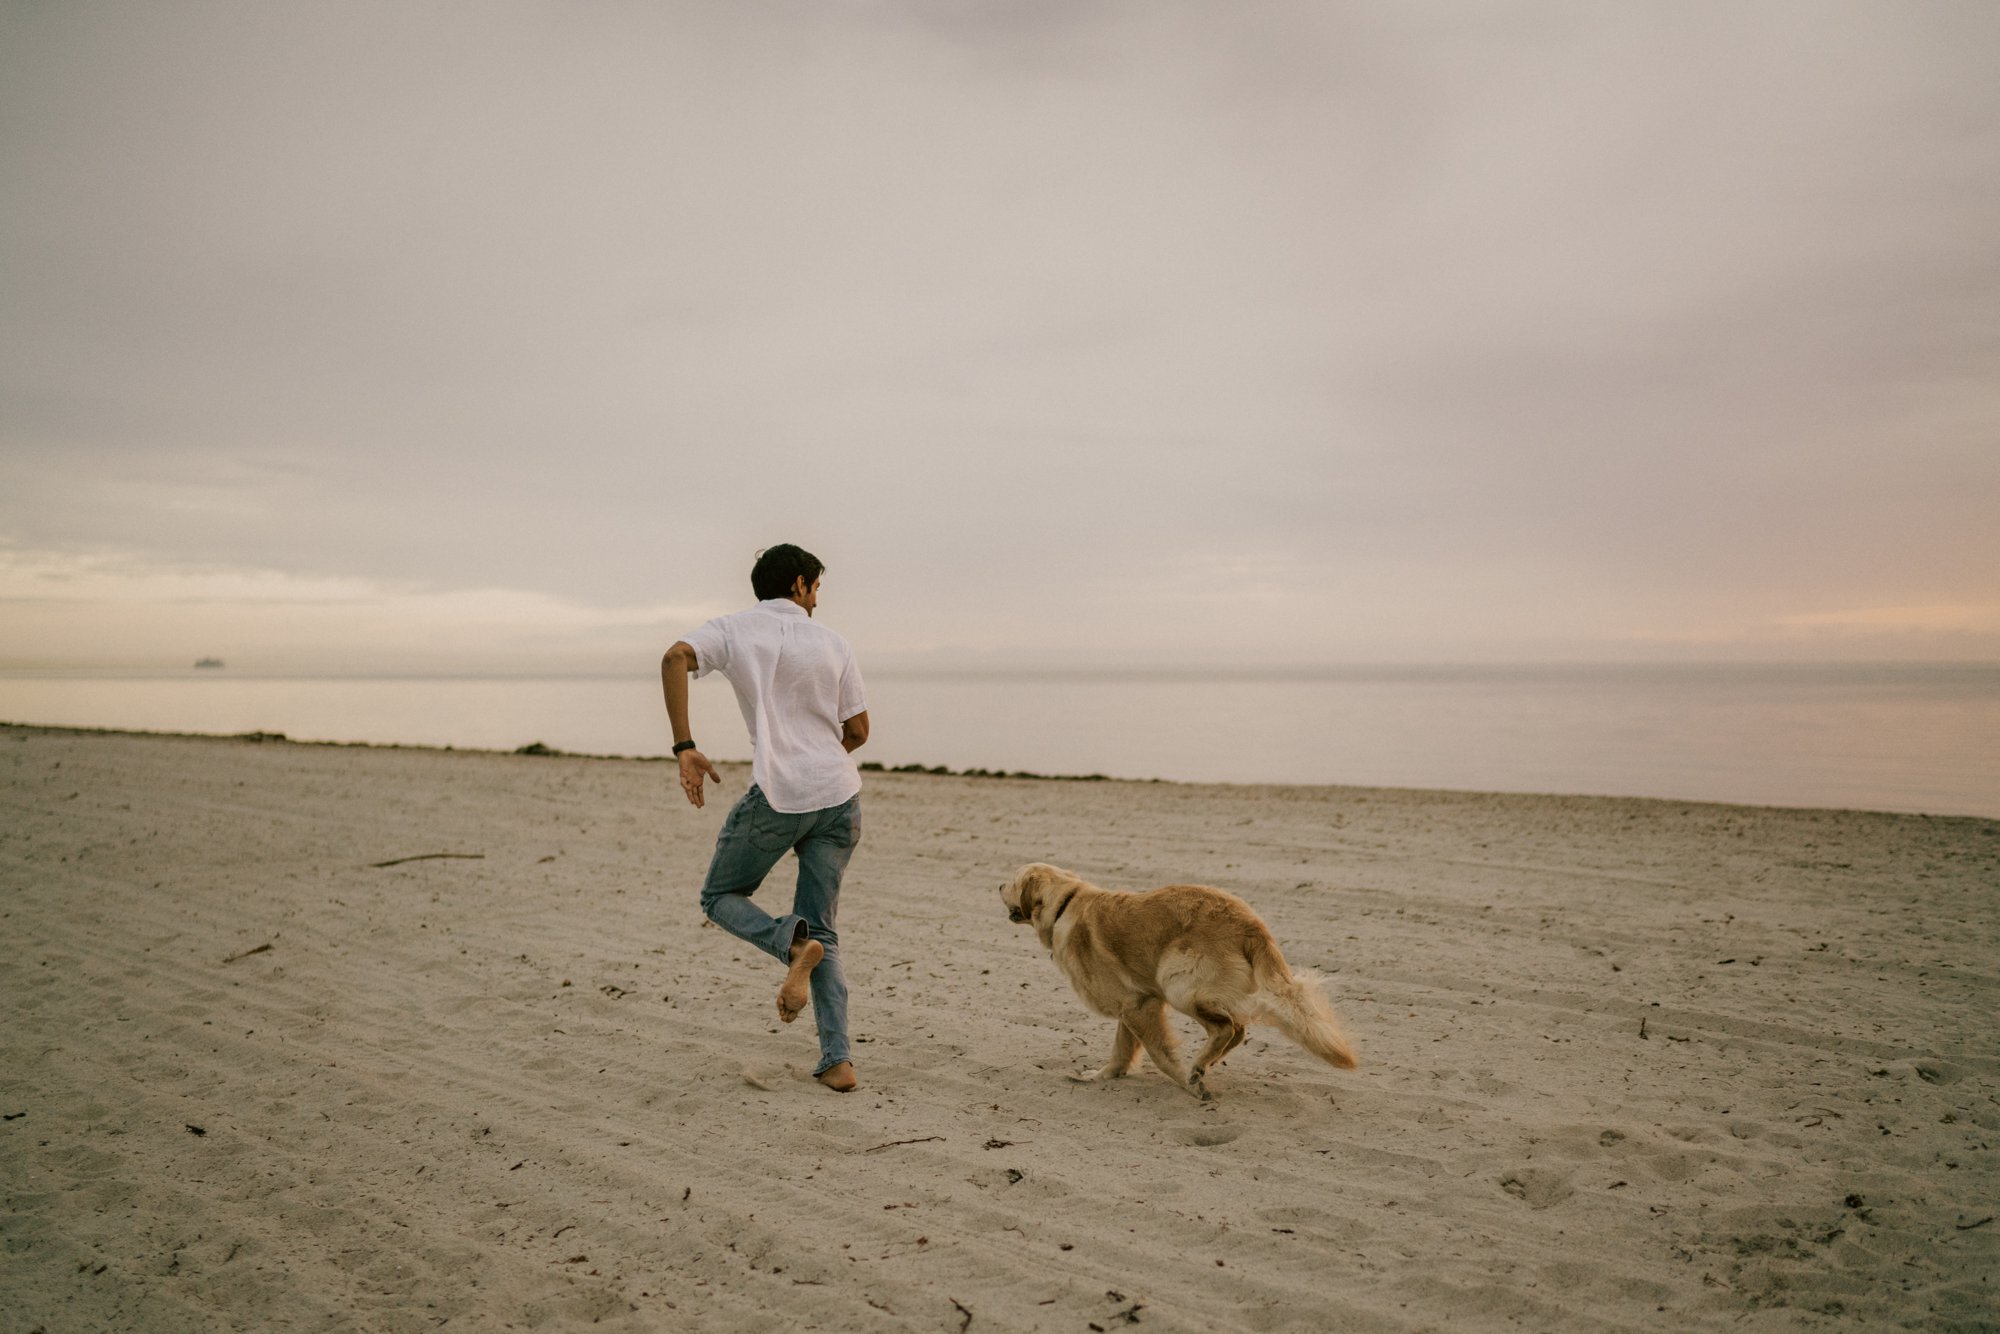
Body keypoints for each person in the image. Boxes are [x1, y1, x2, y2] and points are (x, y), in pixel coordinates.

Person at [661, 544, 870, 1092]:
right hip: (839, 797)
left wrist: (685, 745)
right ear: (800, 584)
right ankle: (838, 1060)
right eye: (817, 587)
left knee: (719, 896)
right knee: (825, 925)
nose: (817, 600)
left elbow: (674, 658)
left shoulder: (732, 630)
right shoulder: (834, 644)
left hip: (779, 794)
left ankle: (791, 945)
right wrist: (820, 760)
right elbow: (859, 732)